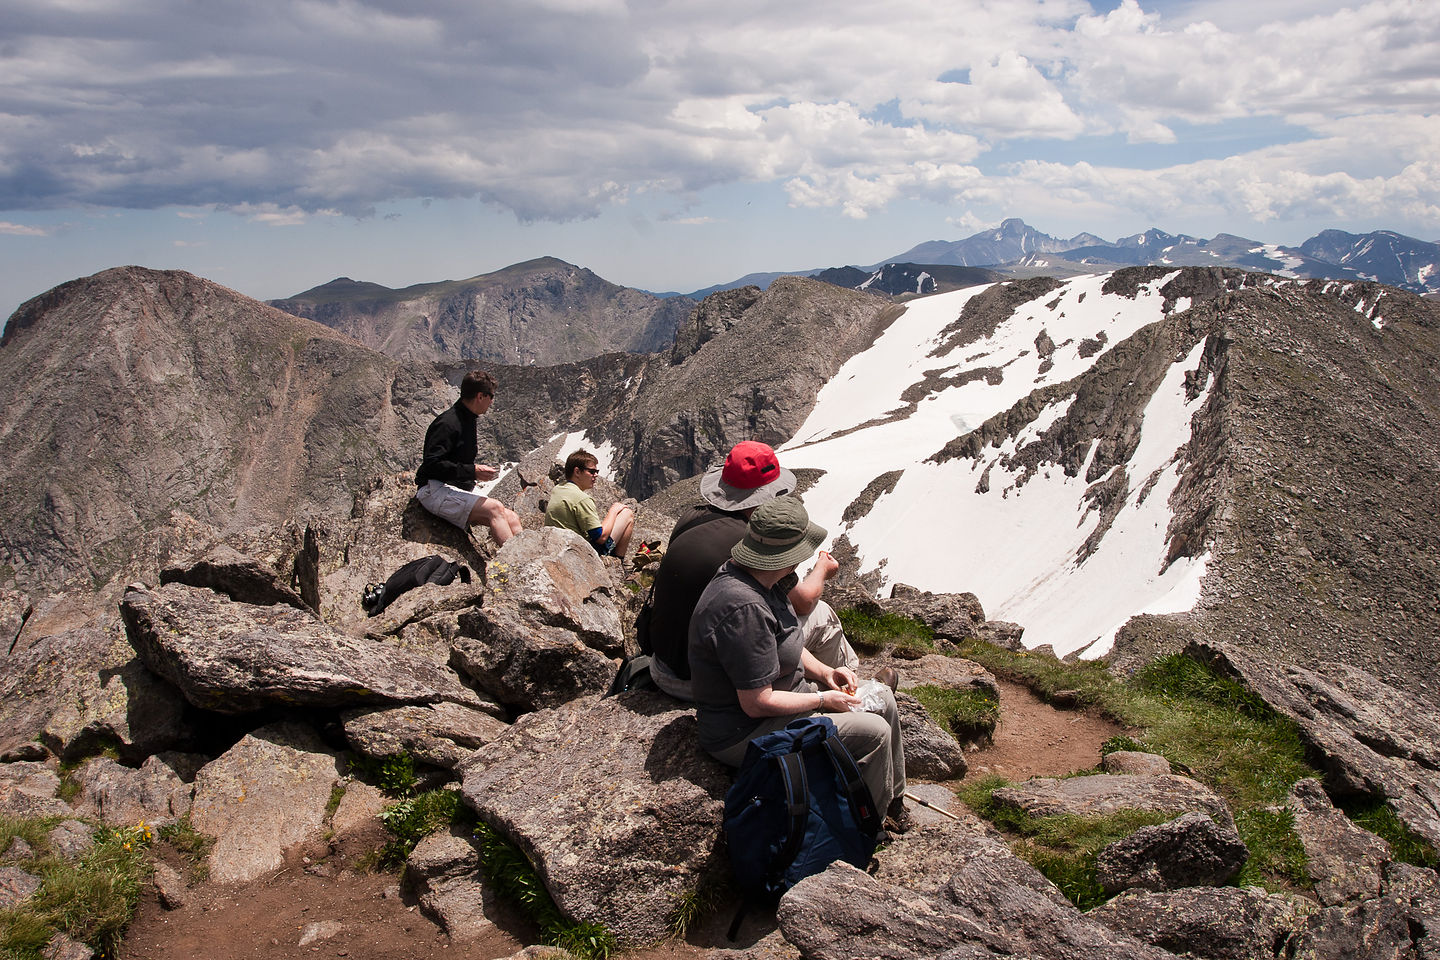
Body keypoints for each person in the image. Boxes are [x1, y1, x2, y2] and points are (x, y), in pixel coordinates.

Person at [688, 496, 908, 820]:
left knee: (884, 699)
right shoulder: (744, 608)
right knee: (874, 732)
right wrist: (822, 700)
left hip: (786, 700)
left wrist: (825, 672)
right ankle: (867, 823)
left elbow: (786, 642)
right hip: (743, 731)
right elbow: (757, 702)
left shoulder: (765, 579)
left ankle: (892, 800)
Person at [645, 441, 873, 701]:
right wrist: (822, 570)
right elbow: (803, 602)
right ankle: (848, 691)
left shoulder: (692, 517)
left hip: (663, 666)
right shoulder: (753, 547)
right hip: (702, 683)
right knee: (822, 615)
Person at [414, 370, 523, 544]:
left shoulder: (467, 418)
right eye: (491, 396)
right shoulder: (448, 423)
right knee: (495, 509)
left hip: (449, 489)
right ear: (480, 396)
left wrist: (471, 473)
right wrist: (472, 471)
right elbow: (432, 464)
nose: (492, 401)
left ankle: (524, 559)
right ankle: (513, 567)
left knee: (511, 517)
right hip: (433, 490)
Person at [544, 449, 635, 558]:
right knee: (627, 514)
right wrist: (613, 511)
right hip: (580, 554)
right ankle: (618, 563)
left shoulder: (558, 489)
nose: (595, 475)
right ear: (577, 472)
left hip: (557, 547)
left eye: (597, 472)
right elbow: (600, 538)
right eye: (591, 471)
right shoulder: (581, 499)